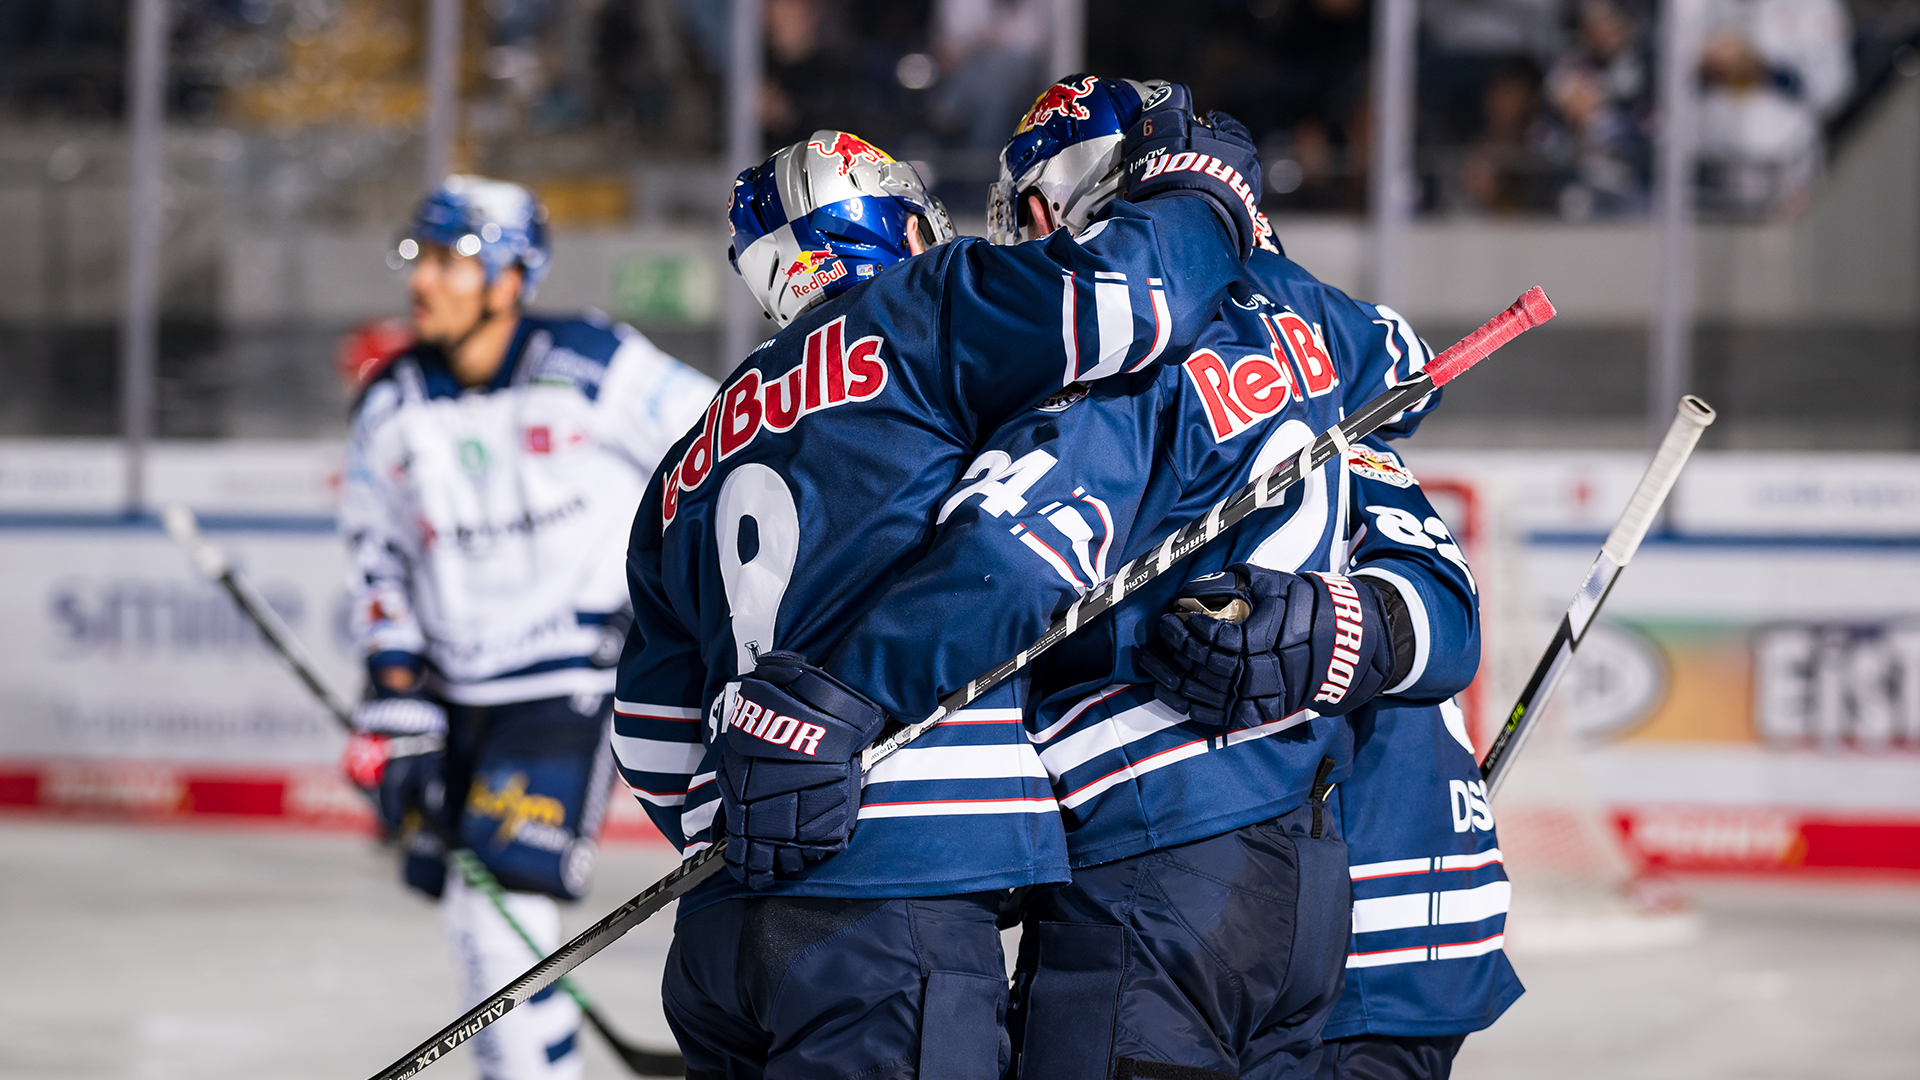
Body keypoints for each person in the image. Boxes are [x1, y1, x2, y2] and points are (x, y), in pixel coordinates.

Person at [814, 76, 1480, 1077]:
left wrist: (833, 698)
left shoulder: (1130, 357)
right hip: (1317, 901)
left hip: (1235, 882)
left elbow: (1006, 558)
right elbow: (1439, 569)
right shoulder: (1320, 344)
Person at [615, 102, 1264, 1080]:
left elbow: (648, 733)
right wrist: (1203, 193)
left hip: (720, 940)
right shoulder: (925, 303)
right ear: (903, 227)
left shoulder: (688, 459)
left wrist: (766, 822)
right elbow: (1128, 298)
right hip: (893, 901)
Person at [338, 175, 717, 1080]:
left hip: (571, 679)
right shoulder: (390, 401)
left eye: (449, 260)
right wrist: (393, 696)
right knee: (488, 928)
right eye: (417, 258)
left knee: (496, 910)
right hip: (452, 699)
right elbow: (374, 558)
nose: (422, 280)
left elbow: (733, 440)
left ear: (510, 277)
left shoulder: (593, 361)